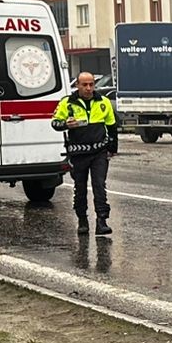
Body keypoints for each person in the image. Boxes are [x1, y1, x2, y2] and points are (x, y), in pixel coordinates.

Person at [52, 71, 118, 235]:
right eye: (85, 85)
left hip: (99, 152)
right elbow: (55, 123)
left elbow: (111, 126)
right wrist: (66, 124)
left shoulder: (104, 102)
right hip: (78, 153)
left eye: (91, 84)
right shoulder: (67, 103)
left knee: (99, 186)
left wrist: (112, 148)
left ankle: (102, 221)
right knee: (80, 188)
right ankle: (82, 220)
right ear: (77, 85)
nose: (89, 88)